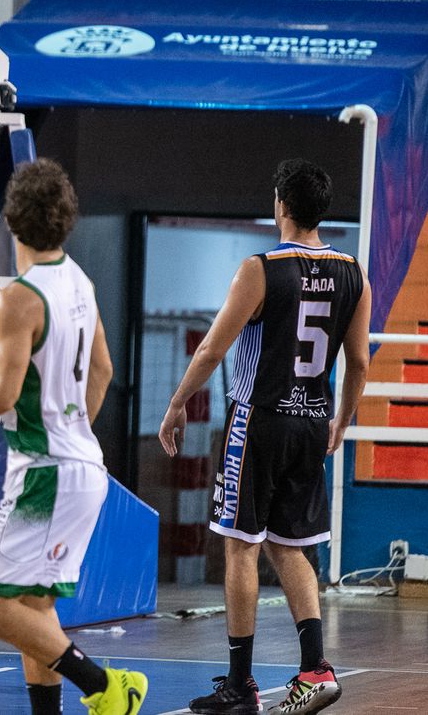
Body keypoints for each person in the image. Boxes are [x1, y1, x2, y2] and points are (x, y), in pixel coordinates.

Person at [159, 159, 369, 715]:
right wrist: (341, 421)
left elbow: (211, 350)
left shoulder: (261, 268)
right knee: (289, 544)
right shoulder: (354, 271)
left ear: (281, 204)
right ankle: (315, 668)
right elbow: (360, 362)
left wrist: (178, 402)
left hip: (258, 418)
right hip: (311, 422)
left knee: (240, 545)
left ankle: (239, 684)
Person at [0, 159, 148, 715]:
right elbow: (105, 369)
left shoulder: (21, 296)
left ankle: (107, 687)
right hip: (83, 465)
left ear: (12, 223)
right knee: (34, 607)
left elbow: (1, 396)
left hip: (45, 470)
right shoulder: (80, 282)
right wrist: (73, 426)